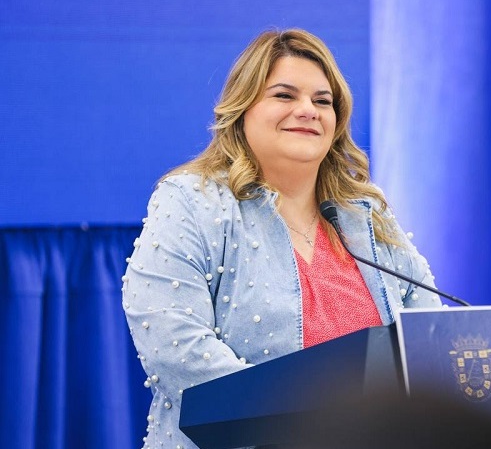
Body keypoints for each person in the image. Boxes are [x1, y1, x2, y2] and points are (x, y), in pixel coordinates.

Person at [122, 28, 442, 449]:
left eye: (322, 101)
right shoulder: (191, 201)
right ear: (243, 109)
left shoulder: (366, 214)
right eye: (285, 95)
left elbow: (429, 341)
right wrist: (308, 427)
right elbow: (174, 347)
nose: (307, 110)